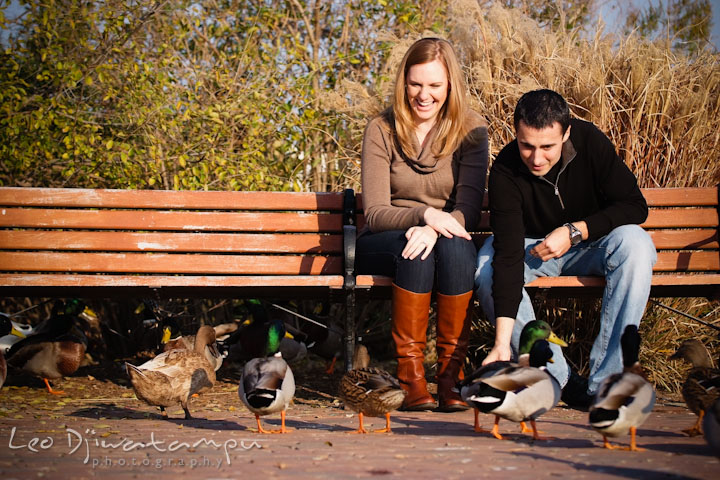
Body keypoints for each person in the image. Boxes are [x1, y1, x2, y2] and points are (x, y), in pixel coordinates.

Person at [474, 89, 657, 409]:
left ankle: (606, 384)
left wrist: (576, 231)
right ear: (516, 132)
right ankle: (560, 380)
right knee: (486, 267)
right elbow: (508, 256)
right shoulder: (504, 170)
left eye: (547, 147)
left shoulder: (590, 142)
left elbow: (634, 207)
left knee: (637, 244)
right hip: (532, 251)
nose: (536, 158)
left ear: (567, 133)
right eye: (526, 145)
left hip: (593, 246)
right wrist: (502, 344)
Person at [357, 38, 488, 412]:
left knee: (458, 249)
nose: (424, 94)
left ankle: (450, 380)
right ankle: (411, 380)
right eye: (416, 84)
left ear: (450, 86)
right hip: (385, 239)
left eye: (434, 85)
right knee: (414, 253)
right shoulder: (381, 129)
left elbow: (469, 209)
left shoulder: (471, 130)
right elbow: (377, 213)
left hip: (445, 237)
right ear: (404, 82)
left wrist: (434, 228)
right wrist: (424, 216)